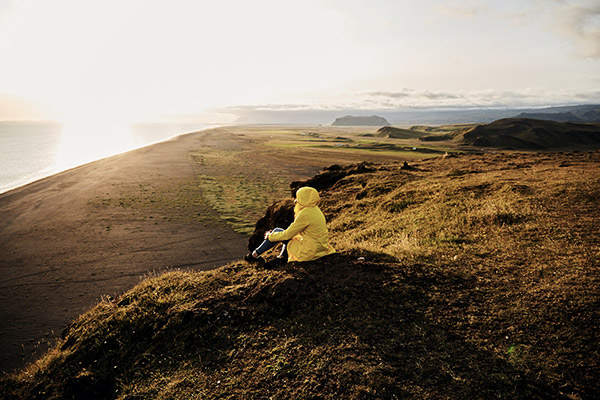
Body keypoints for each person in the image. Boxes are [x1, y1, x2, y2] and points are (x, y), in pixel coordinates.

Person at [245, 186, 335, 266]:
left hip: (310, 251)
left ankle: (253, 256)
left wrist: (270, 236)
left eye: (299, 197)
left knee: (277, 231)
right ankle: (280, 257)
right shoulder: (315, 209)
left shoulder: (305, 214)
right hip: (320, 247)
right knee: (281, 232)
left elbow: (287, 235)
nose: (296, 200)